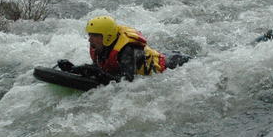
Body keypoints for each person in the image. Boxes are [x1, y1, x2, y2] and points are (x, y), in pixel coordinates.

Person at [57, 15, 190, 84]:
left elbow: (128, 82)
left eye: (95, 35)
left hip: (173, 64)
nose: (90, 39)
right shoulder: (98, 46)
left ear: (107, 36)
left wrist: (97, 73)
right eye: (89, 34)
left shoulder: (128, 50)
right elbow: (102, 68)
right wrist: (74, 69)